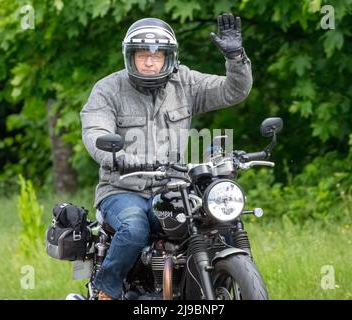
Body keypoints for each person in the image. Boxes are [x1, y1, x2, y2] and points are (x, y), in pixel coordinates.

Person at [80, 13, 253, 300]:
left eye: (157, 55)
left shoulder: (184, 82)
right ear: (130, 57)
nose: (150, 62)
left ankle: (216, 283)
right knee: (135, 227)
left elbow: (232, 91)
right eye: (142, 55)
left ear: (168, 58)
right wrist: (118, 156)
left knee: (216, 221)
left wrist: (236, 58)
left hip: (173, 187)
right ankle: (106, 291)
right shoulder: (108, 89)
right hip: (122, 188)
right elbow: (95, 132)